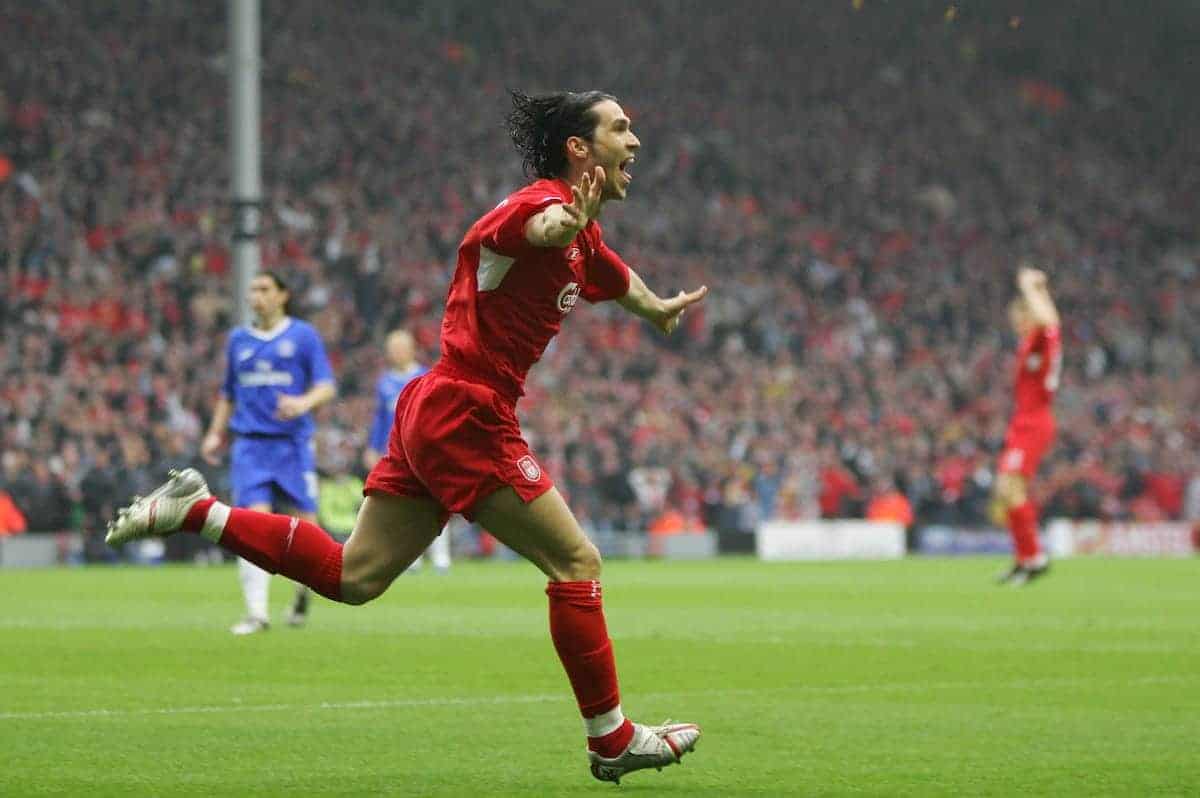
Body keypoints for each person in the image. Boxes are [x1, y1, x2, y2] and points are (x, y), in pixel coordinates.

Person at [108, 90, 705, 783]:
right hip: (468, 412)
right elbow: (535, 229)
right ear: (579, 147)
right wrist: (562, 220)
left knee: (352, 577)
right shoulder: (534, 207)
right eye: (620, 129)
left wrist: (655, 306)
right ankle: (611, 739)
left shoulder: (585, 237)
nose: (635, 141)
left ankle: (196, 511)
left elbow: (606, 270)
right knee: (578, 564)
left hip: (436, 406)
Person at [200, 271, 337, 633]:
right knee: (253, 524)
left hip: (293, 445)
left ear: (282, 295)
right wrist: (215, 433)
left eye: (264, 289)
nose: (256, 296)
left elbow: (326, 386)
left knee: (308, 527)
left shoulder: (303, 336)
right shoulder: (238, 341)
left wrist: (302, 402)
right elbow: (228, 394)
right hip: (250, 446)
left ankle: (304, 590)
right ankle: (257, 613)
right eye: (252, 290)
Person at [992, 266, 1061, 586]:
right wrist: (1041, 289)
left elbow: (1049, 320)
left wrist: (1029, 287)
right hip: (1025, 422)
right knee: (1005, 492)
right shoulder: (1034, 341)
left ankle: (1034, 557)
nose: (1017, 325)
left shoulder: (1041, 337)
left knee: (1011, 489)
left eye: (1020, 318)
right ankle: (1025, 558)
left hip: (1035, 422)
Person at [363, 329, 448, 574]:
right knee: (403, 502)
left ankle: (441, 556)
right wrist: (372, 447)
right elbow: (380, 419)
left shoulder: (426, 376)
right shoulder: (384, 383)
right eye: (393, 349)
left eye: (400, 348)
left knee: (437, 500)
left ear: (411, 350)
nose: (396, 353)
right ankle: (412, 557)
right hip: (396, 452)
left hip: (424, 448)